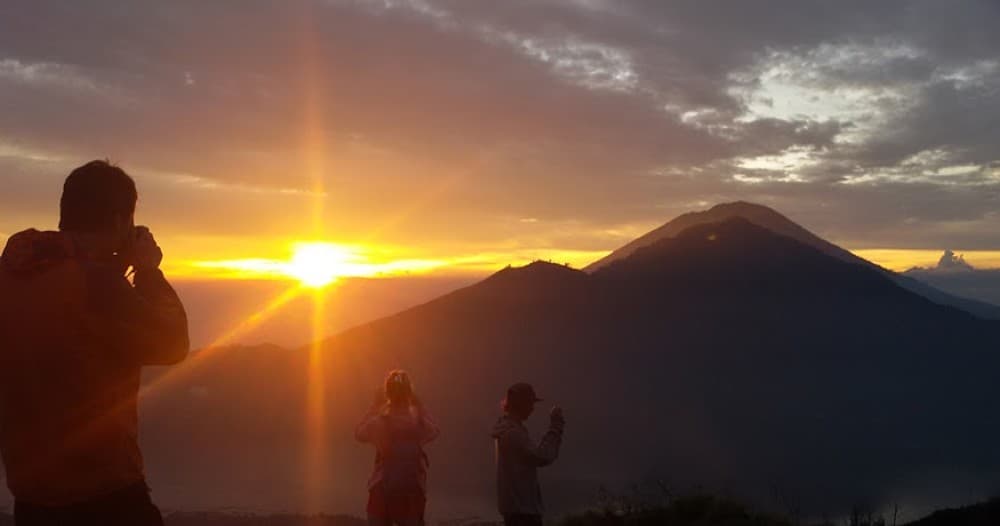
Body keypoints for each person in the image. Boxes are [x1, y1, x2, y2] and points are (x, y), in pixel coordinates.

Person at [0, 160, 190, 525]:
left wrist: (112, 270)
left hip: (33, 499)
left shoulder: (13, 274)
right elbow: (172, 343)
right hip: (104, 497)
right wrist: (148, 271)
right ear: (120, 220)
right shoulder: (97, 285)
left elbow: (71, 319)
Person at [355, 370, 440, 526]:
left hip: (381, 490)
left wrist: (375, 406)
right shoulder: (418, 424)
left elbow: (359, 433)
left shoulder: (379, 423)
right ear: (409, 393)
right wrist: (419, 405)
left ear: (387, 393)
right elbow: (435, 430)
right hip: (412, 490)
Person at [492, 383, 565, 526]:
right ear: (520, 404)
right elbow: (543, 456)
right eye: (530, 403)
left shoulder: (506, 430)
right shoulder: (514, 433)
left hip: (516, 512)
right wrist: (556, 426)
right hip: (523, 514)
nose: (532, 408)